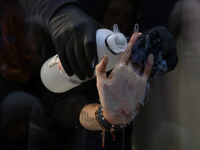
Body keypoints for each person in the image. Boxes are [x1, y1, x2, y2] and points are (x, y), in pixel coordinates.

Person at [0, 0, 179, 149]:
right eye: (114, 13)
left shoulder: (128, 64)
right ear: (100, 14)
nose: (120, 22)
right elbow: (66, 107)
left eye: (127, 17)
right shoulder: (68, 52)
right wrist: (106, 116)